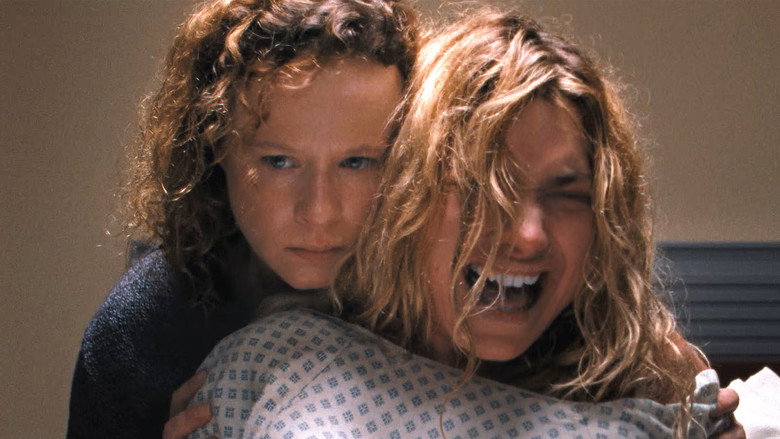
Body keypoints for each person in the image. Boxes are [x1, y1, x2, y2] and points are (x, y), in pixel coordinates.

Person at [186, 8, 743, 439]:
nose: (527, 235)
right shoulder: (278, 359)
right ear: (406, 194)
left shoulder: (650, 386)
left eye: (566, 195)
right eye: (482, 188)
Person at [66, 1, 418, 438]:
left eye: (357, 163)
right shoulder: (142, 332)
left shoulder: (454, 299)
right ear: (215, 144)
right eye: (279, 161)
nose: (320, 210)